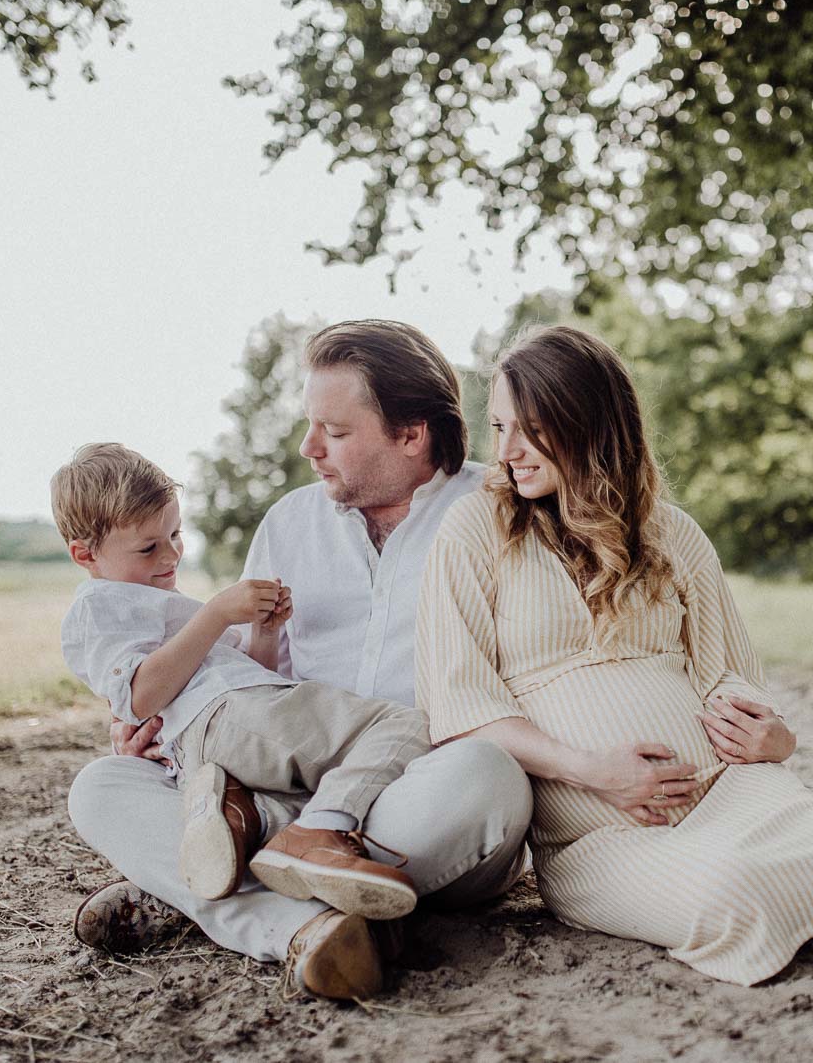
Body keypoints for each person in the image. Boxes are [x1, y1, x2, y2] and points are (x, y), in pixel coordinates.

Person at [416, 325, 813, 986]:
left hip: (728, 788)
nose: (504, 452)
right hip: (600, 837)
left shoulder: (672, 533)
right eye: (499, 426)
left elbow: (725, 675)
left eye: (527, 429)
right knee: (732, 899)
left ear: (587, 425)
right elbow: (462, 705)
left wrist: (773, 734)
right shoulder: (476, 530)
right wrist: (593, 769)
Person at [65, 321, 533, 1000]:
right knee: (102, 788)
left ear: (412, 433)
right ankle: (307, 925)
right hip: (289, 780)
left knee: (487, 776)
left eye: (336, 432)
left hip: (418, 799)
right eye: (311, 425)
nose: (309, 448)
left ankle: (219, 883)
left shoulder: (501, 513)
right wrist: (157, 728)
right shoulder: (288, 524)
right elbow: (254, 686)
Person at [52, 442, 427, 919]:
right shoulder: (100, 606)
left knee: (307, 785)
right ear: (84, 554)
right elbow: (140, 696)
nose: (172, 555)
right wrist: (216, 612)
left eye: (175, 534)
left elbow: (254, 674)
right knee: (408, 727)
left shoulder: (155, 602)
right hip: (225, 716)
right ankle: (316, 835)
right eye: (148, 547)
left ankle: (239, 817)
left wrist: (263, 632)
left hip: (227, 723)